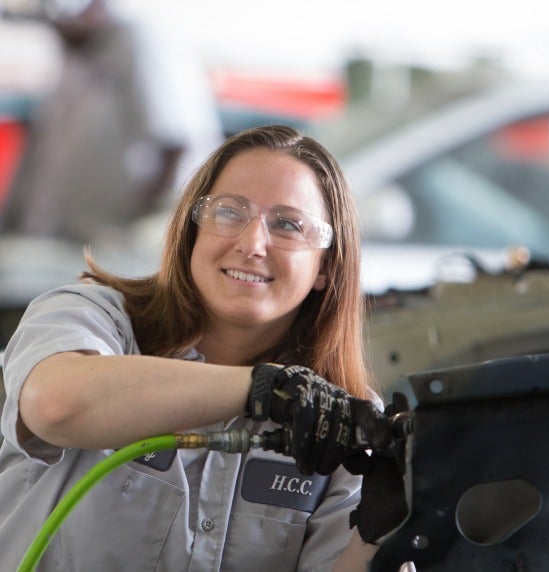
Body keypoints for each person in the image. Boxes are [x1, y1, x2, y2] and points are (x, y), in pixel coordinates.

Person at [0, 125, 406, 571]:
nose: (252, 244)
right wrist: (263, 388)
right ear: (193, 231)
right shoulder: (92, 317)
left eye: (287, 225)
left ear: (326, 266)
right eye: (230, 212)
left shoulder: (339, 418)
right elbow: (56, 405)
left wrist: (379, 534)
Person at [0, 0, 223, 243]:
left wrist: (137, 229)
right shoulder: (75, 52)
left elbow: (178, 142)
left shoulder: (137, 40)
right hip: (58, 242)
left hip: (111, 242)